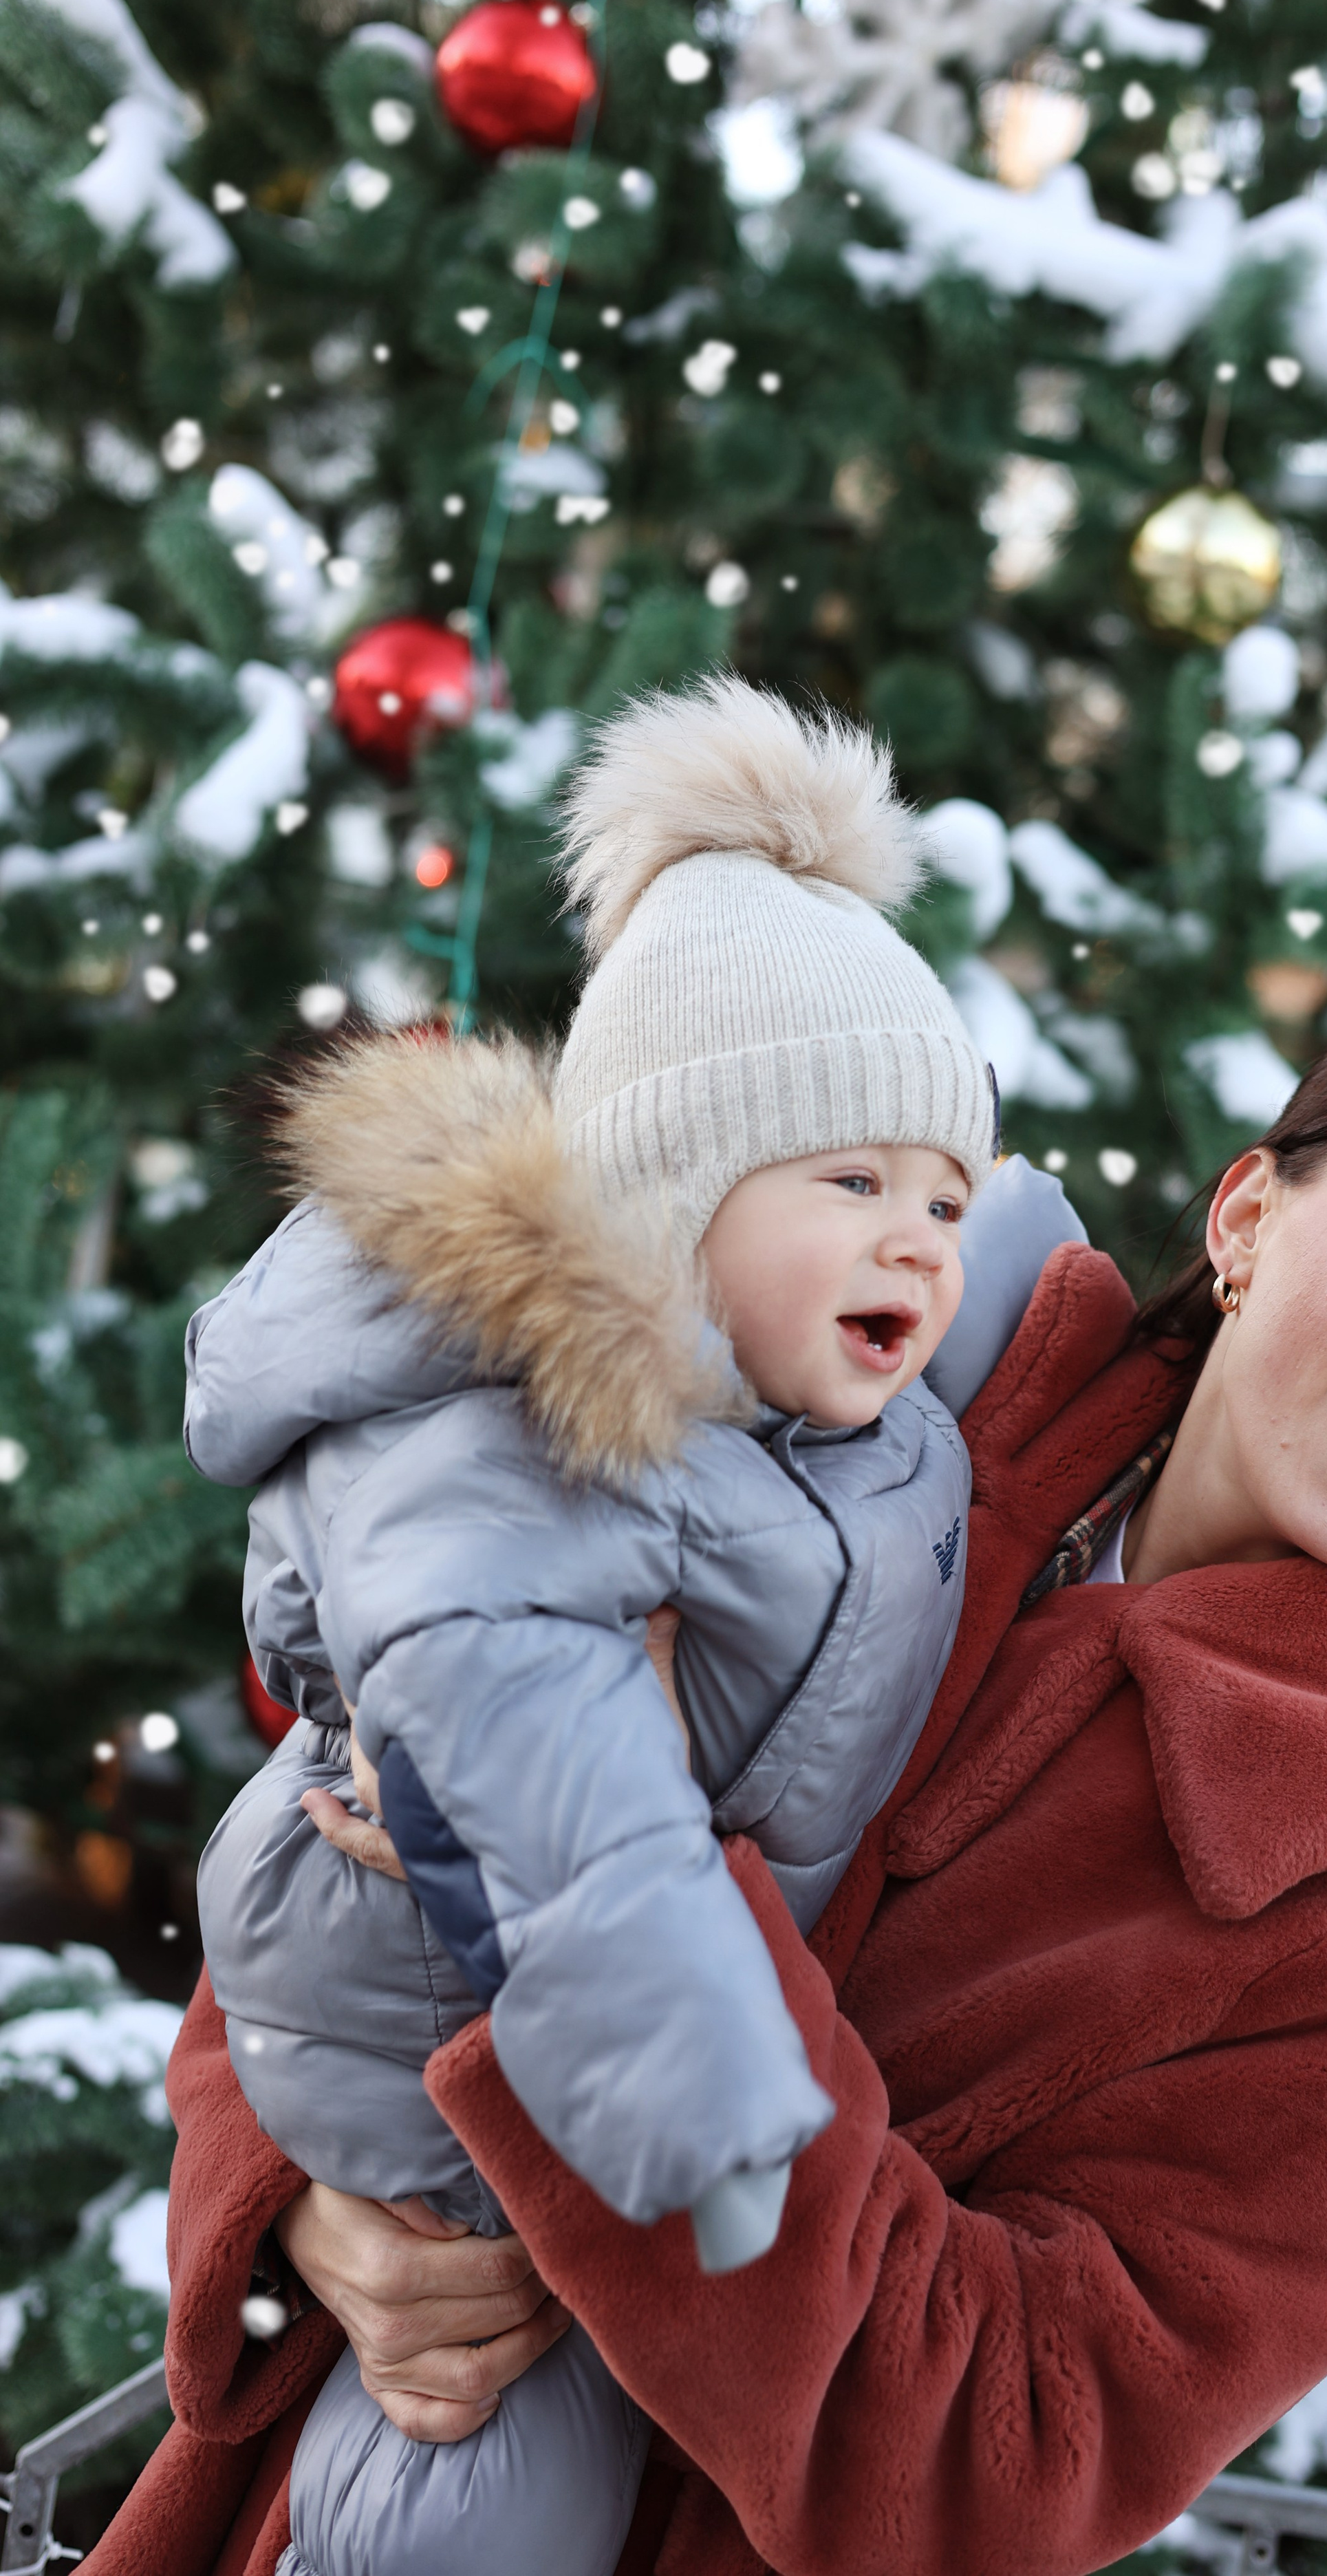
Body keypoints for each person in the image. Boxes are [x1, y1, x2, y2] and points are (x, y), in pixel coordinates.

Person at [98, 992, 1327, 2576]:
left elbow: (1008, 2452)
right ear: (1249, 1214)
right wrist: (306, 2210)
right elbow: (352, 1804)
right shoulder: (876, 1364)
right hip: (323, 2504)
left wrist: (620, 1860)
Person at [182, 676, 1079, 2576]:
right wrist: (703, 2090)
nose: (919, 1236)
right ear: (669, 1206)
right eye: (853, 1182)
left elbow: (1002, 1294)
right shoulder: (537, 1439)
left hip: (597, 2011)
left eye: (943, 1191)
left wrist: (957, 1212)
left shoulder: (835, 1392)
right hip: (425, 1999)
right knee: (479, 2461)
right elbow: (560, 1776)